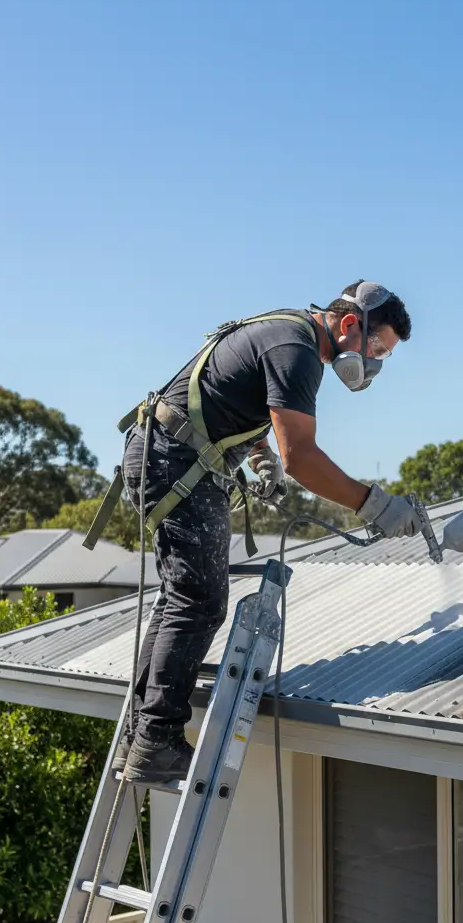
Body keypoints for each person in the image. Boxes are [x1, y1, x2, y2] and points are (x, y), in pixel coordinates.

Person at [115, 280, 420, 782]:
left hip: (165, 454)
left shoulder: (288, 333)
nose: (376, 363)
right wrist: (374, 505)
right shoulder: (296, 350)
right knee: (198, 602)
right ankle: (156, 742)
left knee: (180, 601)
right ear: (349, 326)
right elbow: (302, 457)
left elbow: (237, 399)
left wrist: (260, 460)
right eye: (377, 348)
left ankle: (140, 738)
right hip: (175, 460)